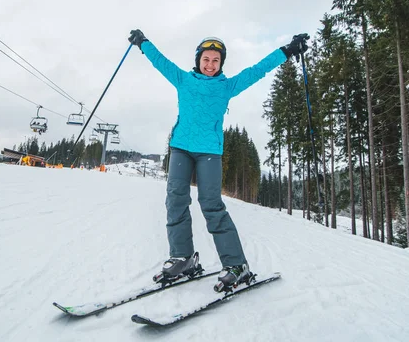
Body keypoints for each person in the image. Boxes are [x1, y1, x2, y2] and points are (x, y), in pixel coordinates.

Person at [128, 30, 309, 292]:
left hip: (209, 151)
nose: (210, 64)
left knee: (211, 203)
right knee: (175, 198)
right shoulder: (183, 79)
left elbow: (257, 70)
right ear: (198, 60)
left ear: (221, 63)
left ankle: (237, 265)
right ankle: (182, 257)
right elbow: (160, 61)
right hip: (180, 148)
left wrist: (287, 50)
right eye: (206, 59)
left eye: (215, 60)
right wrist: (143, 43)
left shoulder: (226, 86)